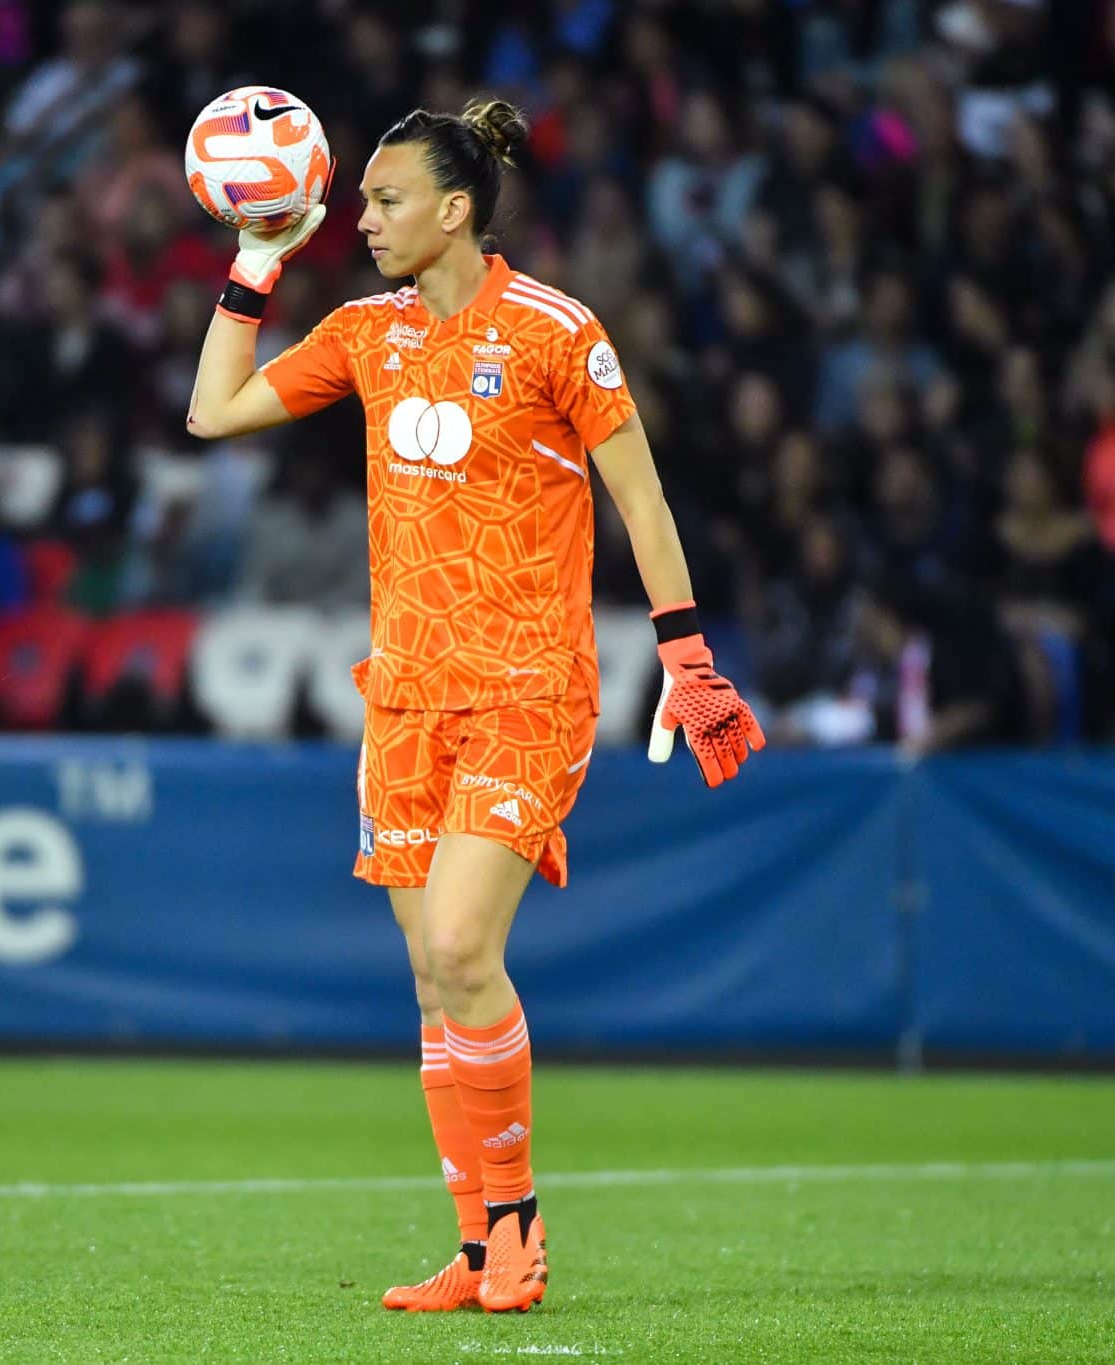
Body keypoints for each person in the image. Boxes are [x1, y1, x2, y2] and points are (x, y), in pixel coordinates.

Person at [186, 99, 764, 1314]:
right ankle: (473, 1243)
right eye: (360, 200)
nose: (362, 218)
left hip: (526, 687)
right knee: (429, 980)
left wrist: (688, 656)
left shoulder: (557, 331)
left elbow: (642, 504)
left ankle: (518, 1227)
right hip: (402, 695)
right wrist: (250, 267)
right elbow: (212, 412)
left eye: (384, 200)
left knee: (460, 947)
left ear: (453, 208)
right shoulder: (361, 333)